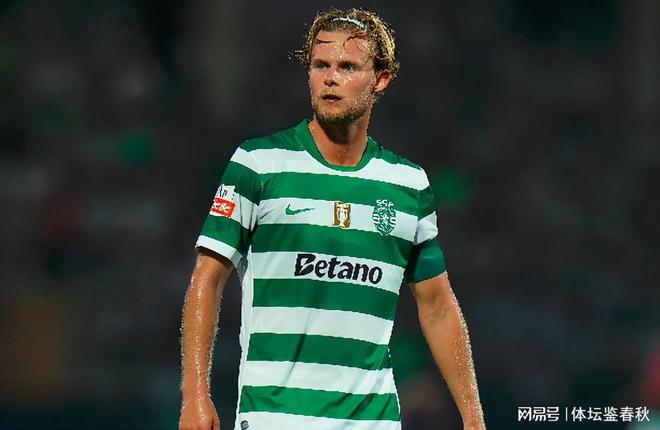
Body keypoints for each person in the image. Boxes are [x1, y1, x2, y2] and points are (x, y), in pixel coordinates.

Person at [179, 8, 486, 430]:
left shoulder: (408, 185)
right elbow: (208, 278)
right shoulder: (259, 164)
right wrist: (195, 394)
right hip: (275, 417)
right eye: (320, 65)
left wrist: (473, 417)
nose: (330, 78)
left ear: (380, 79)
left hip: (373, 421)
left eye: (347, 67)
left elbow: (437, 306)